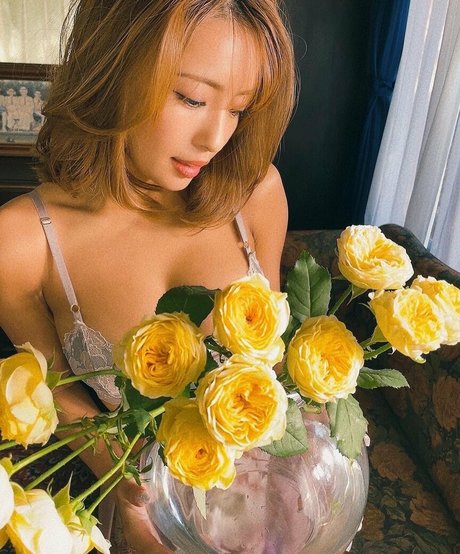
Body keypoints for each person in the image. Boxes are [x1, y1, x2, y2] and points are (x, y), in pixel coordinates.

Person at [0, 0, 295, 552]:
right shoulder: (20, 242)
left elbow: (273, 364)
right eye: (192, 98)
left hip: (267, 506)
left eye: (238, 109)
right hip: (148, 512)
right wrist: (126, 490)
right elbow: (53, 395)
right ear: (114, 68)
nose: (215, 138)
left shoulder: (256, 195)